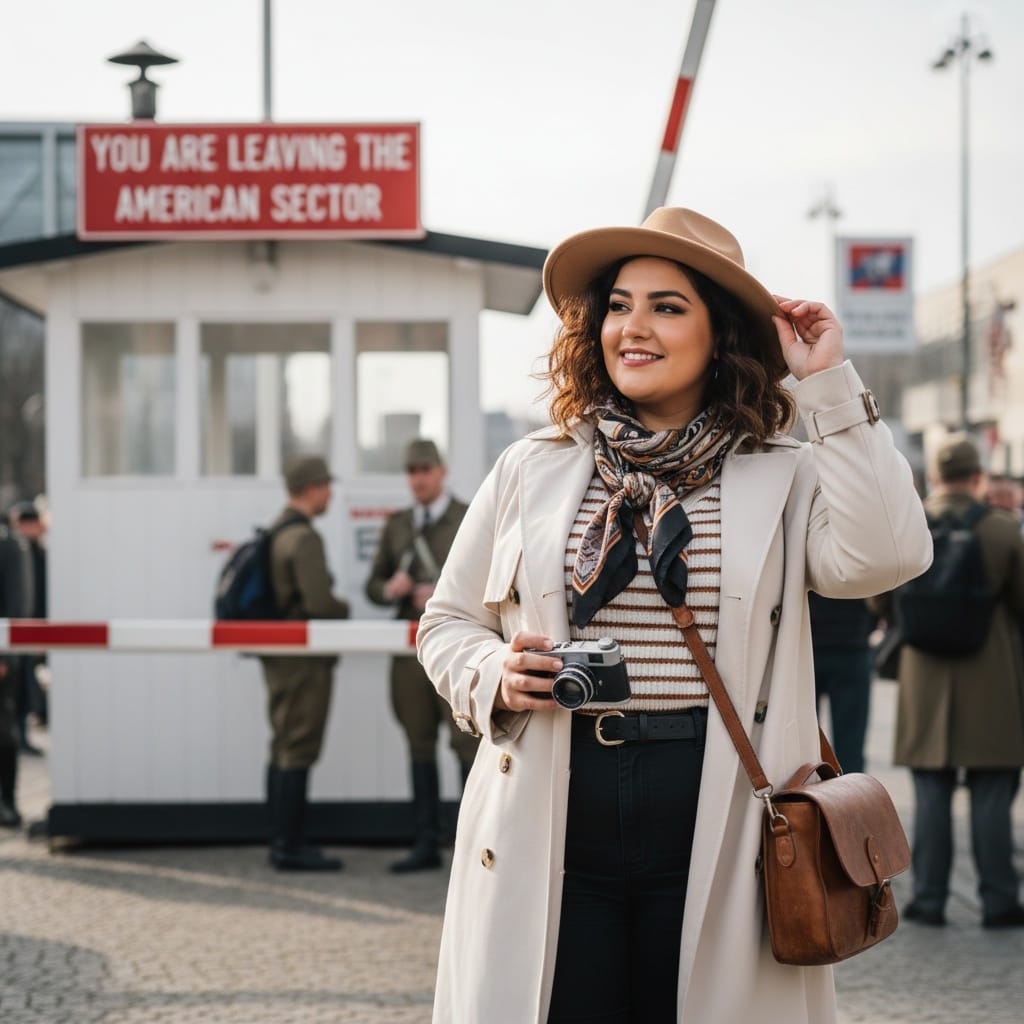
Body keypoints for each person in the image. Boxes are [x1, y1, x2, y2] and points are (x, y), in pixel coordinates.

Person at [416, 207, 931, 1024]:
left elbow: (890, 555)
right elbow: (445, 623)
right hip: (553, 799)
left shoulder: (784, 475)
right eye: (619, 305)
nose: (634, 326)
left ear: (718, 335)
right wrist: (493, 673)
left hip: (717, 807)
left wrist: (829, 383)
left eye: (667, 305)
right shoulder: (532, 467)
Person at [891, 436, 1024, 929]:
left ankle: (928, 899)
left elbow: (883, 601)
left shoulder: (908, 523)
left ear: (938, 477)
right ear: (977, 477)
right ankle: (999, 900)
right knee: (992, 792)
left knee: (930, 792)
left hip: (924, 676)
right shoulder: (1002, 529)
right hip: (992, 677)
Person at [365, 439, 478, 872]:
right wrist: (388, 589)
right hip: (410, 653)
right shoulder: (397, 525)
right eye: (412, 471)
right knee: (419, 743)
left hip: (456, 645)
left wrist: (445, 594)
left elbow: (489, 578)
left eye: (425, 469)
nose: (419, 478)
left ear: (441, 471)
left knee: (466, 743)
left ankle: (471, 848)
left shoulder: (467, 516)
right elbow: (373, 585)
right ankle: (425, 842)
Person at [261, 454, 350, 871]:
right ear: (311, 488)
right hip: (303, 662)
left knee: (282, 744)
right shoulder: (305, 539)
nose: (330, 492)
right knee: (299, 746)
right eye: (326, 485)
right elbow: (320, 604)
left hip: (279, 658)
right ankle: (290, 847)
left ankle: (281, 840)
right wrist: (343, 607)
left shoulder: (277, 531)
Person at [807, 593, 876, 774]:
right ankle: (850, 801)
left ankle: (800, 800)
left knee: (801, 750)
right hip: (852, 640)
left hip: (805, 642)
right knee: (850, 750)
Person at [0, 511, 32, 827]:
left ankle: (5, 801)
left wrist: (6, 658)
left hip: (0, 658)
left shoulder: (8, 546)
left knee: (3, 731)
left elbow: (17, 603)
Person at [10, 500, 48, 752]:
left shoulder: (38, 552)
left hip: (35, 626)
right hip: (20, 628)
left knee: (26, 685)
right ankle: (19, 736)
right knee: (20, 687)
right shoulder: (14, 552)